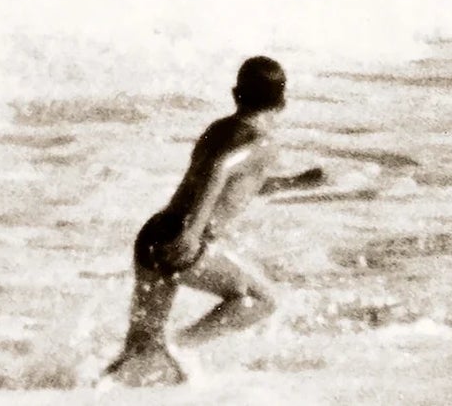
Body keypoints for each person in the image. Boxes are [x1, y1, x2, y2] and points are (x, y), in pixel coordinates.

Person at [103, 57, 324, 387]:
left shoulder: (218, 129)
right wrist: (193, 231)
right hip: (185, 240)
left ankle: (92, 387)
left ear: (235, 94)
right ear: (283, 102)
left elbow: (238, 184)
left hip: (156, 232)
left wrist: (296, 182)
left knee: (139, 347)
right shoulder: (262, 142)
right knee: (262, 300)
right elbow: (219, 170)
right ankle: (181, 346)